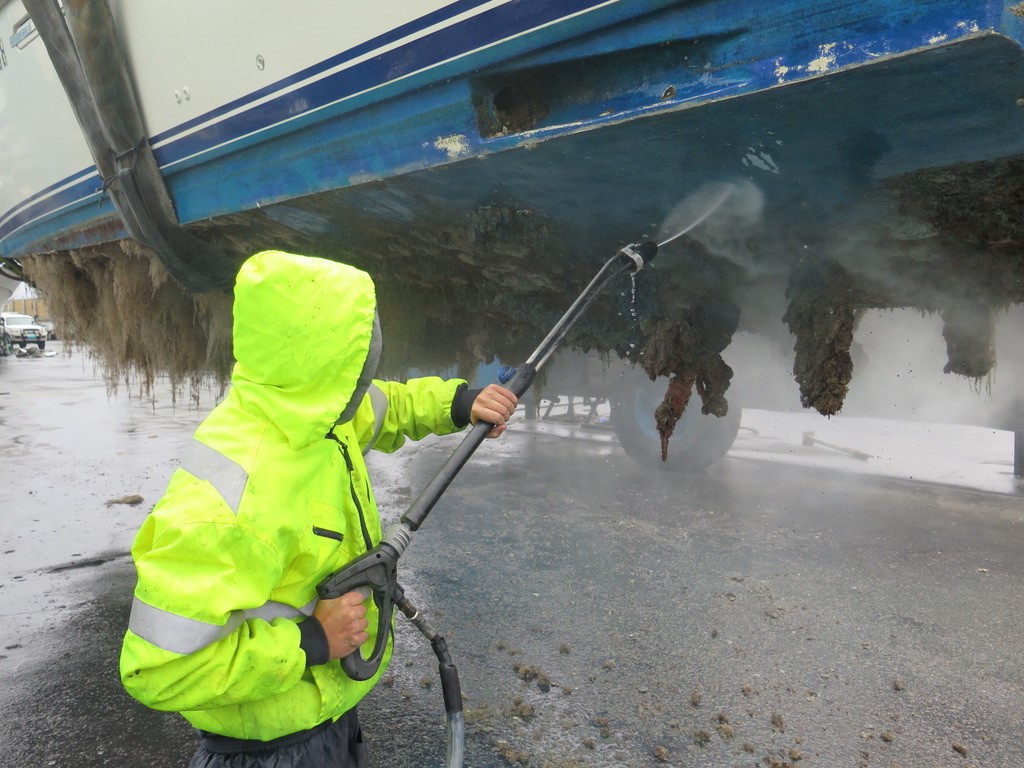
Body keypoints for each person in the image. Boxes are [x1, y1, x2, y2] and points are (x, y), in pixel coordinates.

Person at [119, 250, 518, 767]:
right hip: (264, 753)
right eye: (359, 363)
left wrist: (460, 403)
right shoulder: (230, 500)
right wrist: (311, 641)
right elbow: (158, 669)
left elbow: (388, 405)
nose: (364, 379)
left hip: (327, 724)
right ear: (327, 363)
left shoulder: (321, 414)